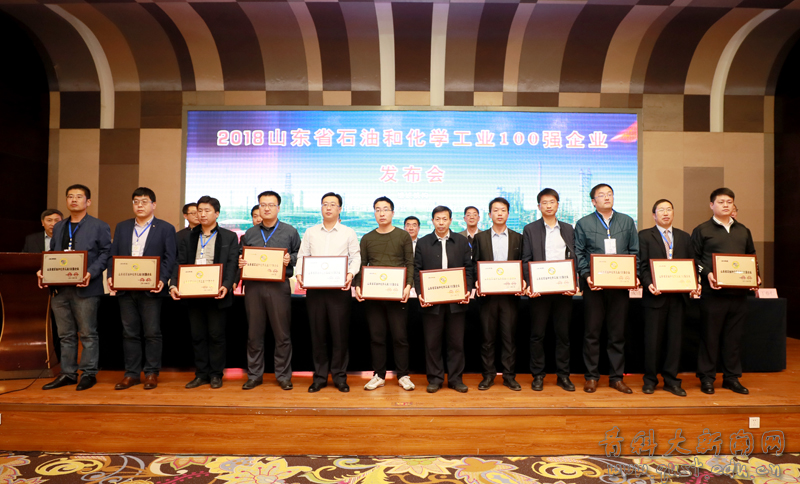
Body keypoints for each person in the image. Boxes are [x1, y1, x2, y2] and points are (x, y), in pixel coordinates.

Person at [37, 184, 110, 391]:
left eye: (79, 196)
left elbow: (106, 253)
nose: (74, 200)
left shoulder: (99, 226)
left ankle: (88, 373)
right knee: (65, 335)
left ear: (88, 201)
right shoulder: (60, 226)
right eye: (70, 196)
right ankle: (68, 373)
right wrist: (43, 271)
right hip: (60, 289)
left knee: (87, 333)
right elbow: (53, 254)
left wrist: (90, 273)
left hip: (86, 288)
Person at [107, 187, 176, 390]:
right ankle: (131, 374)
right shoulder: (122, 227)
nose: (139, 205)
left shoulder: (165, 228)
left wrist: (162, 279)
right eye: (136, 201)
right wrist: (111, 275)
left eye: (144, 202)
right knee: (129, 333)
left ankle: (152, 373)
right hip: (126, 288)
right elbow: (113, 254)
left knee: (152, 333)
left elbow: (170, 257)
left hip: (151, 289)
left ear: (153, 205)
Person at [691, 188, 759, 395]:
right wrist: (708, 274)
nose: (726, 205)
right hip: (713, 294)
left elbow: (751, 256)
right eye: (721, 202)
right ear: (712, 205)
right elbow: (694, 259)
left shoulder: (743, 230)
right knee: (710, 338)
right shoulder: (702, 230)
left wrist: (755, 276)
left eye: (729, 202)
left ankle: (731, 378)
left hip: (738, 295)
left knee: (734, 338)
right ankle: (707, 378)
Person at [574, 183, 639, 394]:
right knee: (592, 333)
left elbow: (634, 251)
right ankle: (591, 377)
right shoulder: (583, 223)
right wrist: (587, 276)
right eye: (601, 195)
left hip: (619, 287)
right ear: (594, 202)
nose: (607, 197)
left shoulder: (627, 221)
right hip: (594, 287)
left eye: (609, 194)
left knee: (617, 334)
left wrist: (634, 275)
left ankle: (616, 378)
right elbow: (579, 253)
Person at [169, 196, 239, 389]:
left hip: (217, 293)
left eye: (207, 210)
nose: (202, 214)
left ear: (217, 213)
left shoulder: (229, 237)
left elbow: (232, 263)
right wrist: (173, 284)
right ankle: (201, 374)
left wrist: (227, 285)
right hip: (193, 293)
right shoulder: (188, 236)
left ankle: (216, 374)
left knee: (216, 335)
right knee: (197, 336)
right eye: (199, 210)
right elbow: (179, 262)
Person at [295, 192, 361, 393]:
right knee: (318, 335)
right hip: (315, 291)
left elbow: (356, 257)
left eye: (333, 204)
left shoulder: (348, 232)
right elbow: (302, 256)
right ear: (321, 208)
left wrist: (350, 274)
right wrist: (299, 274)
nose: (329, 207)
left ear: (340, 209)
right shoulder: (310, 232)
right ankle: (320, 377)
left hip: (339, 291)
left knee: (339, 336)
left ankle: (340, 377)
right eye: (325, 204)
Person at [238, 190, 301, 390]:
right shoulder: (250, 233)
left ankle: (283, 376)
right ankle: (254, 375)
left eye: (271, 205)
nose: (266, 208)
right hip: (254, 287)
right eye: (263, 205)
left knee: (282, 334)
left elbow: (300, 254)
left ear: (278, 208)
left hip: (278, 287)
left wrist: (290, 258)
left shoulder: (290, 231)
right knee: (254, 334)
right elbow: (240, 255)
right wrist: (241, 261)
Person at [639, 199, 701, 397]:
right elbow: (642, 265)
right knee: (652, 342)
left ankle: (671, 381)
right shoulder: (644, 236)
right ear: (654, 215)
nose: (665, 213)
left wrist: (695, 283)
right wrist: (648, 283)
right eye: (661, 210)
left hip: (678, 299)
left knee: (674, 342)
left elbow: (692, 264)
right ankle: (650, 380)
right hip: (655, 297)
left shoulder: (684, 237)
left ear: (673, 213)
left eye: (669, 209)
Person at [354, 196, 415, 391]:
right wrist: (358, 285)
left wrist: (408, 285)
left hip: (397, 295)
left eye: (385, 209)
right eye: (378, 209)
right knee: (377, 337)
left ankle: (403, 375)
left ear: (392, 213)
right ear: (374, 213)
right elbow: (362, 264)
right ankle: (379, 375)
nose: (381, 213)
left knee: (400, 337)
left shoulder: (403, 236)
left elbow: (410, 263)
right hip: (374, 296)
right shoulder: (367, 238)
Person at [521, 188, 577, 392]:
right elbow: (526, 259)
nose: (548, 206)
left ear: (558, 205)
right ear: (539, 206)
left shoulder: (568, 228)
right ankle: (538, 375)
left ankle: (563, 376)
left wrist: (574, 282)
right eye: (544, 202)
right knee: (537, 335)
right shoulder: (530, 229)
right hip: (539, 291)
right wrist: (530, 283)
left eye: (552, 202)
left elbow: (574, 257)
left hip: (563, 291)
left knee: (563, 335)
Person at [414, 206, 474, 393]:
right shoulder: (423, 243)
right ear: (432, 221)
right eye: (437, 219)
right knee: (432, 343)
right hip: (431, 302)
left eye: (444, 219)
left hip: (456, 301)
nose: (441, 223)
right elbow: (417, 270)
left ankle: (456, 379)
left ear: (450, 220)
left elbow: (469, 268)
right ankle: (435, 379)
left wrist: (467, 291)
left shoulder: (461, 241)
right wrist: (421, 293)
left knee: (456, 343)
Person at [472, 197, 524, 391]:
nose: (499, 213)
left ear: (508, 214)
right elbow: (474, 264)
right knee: (487, 338)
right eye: (495, 210)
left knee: (509, 337)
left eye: (503, 210)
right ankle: (488, 376)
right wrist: (477, 281)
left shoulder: (518, 238)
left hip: (510, 296)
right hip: (488, 297)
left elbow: (523, 263)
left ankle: (509, 376)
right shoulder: (480, 238)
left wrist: (523, 280)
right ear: (490, 214)